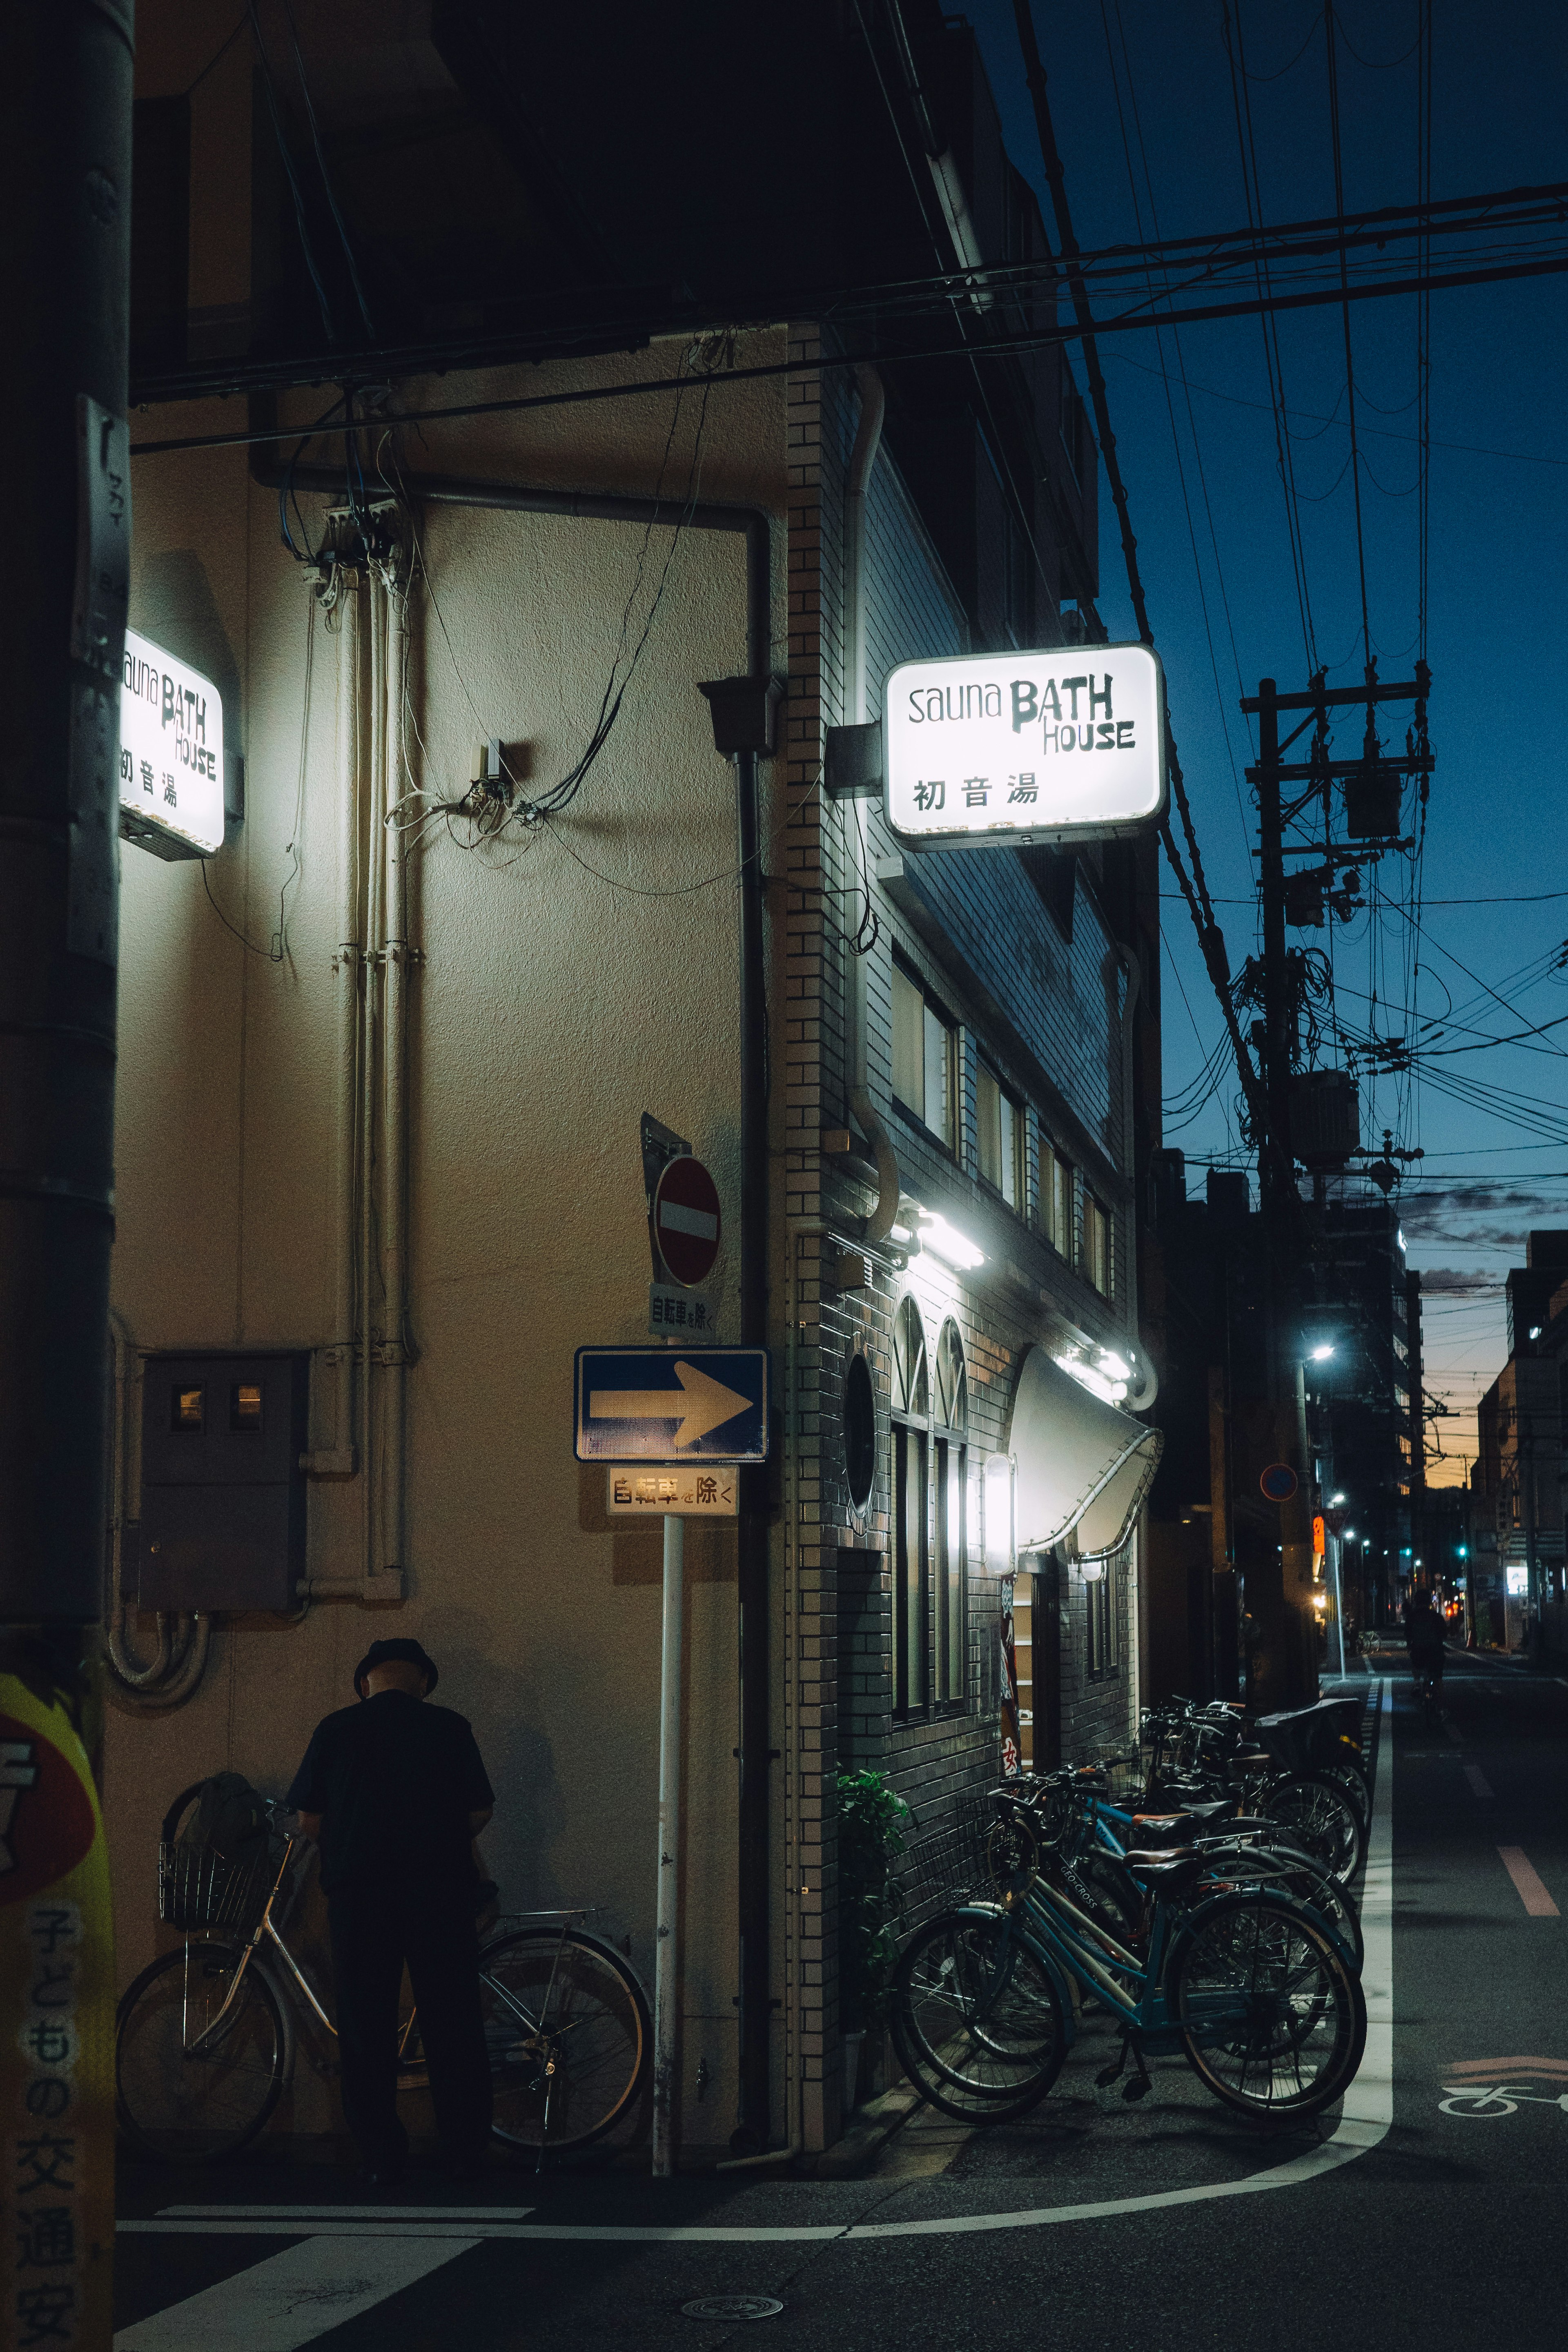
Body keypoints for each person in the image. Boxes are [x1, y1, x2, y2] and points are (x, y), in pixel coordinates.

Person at [286, 1637, 496, 2185]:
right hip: (438, 1893)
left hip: (361, 1894)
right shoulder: (450, 1728)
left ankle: (381, 2156)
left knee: (365, 2024)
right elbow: (479, 1810)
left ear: (365, 1683)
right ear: (421, 1683)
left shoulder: (335, 1730)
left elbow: (309, 1820)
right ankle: (465, 2153)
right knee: (452, 2022)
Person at [1403, 1588, 1446, 1702]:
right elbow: (1444, 1634)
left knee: (1416, 1664)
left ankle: (1417, 1683)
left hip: (1419, 1650)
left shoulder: (1412, 1617)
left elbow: (1408, 1634)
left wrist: (1409, 1645)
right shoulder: (1436, 1617)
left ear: (1416, 1601)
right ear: (1429, 1602)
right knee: (1438, 1679)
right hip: (1435, 1651)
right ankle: (1442, 1709)